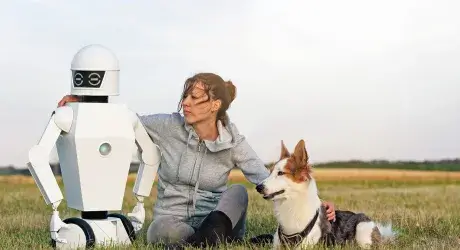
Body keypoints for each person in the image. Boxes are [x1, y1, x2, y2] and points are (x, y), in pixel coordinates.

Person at [57, 72, 336, 247]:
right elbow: (122, 121)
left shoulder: (233, 141)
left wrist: (315, 204)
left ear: (215, 105)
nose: (186, 102)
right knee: (159, 231)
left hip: (219, 219)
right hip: (175, 222)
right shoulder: (169, 126)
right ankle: (206, 242)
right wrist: (84, 102)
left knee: (238, 192)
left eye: (195, 97)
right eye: (185, 96)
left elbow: (268, 180)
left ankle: (210, 238)